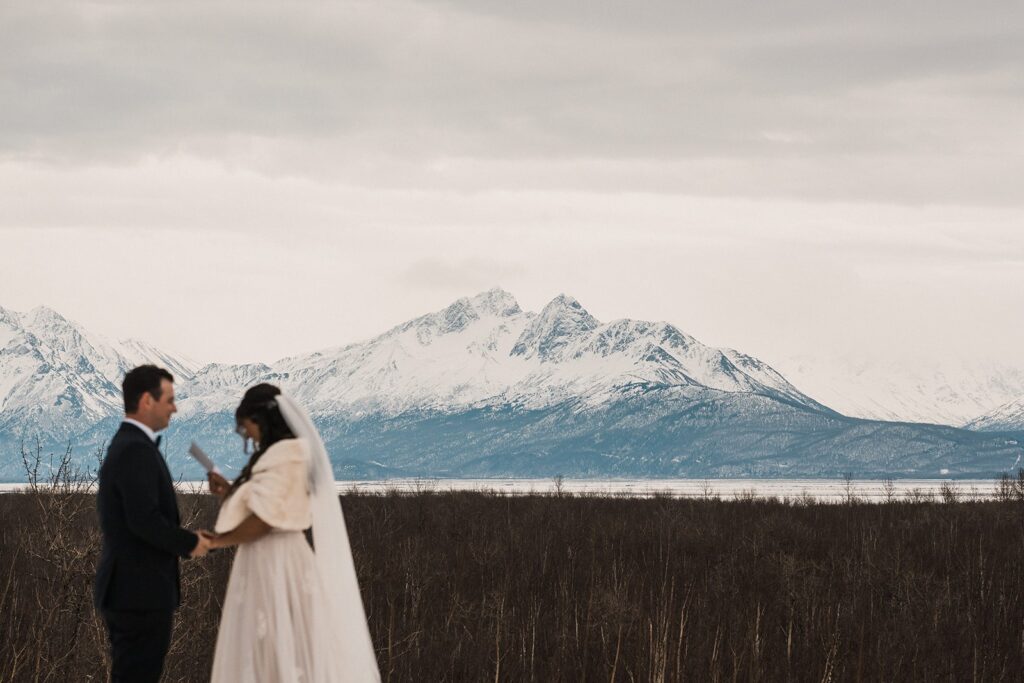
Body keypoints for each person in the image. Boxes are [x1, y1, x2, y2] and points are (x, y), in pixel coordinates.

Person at [204, 384, 380, 682]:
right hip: (268, 558)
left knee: (278, 641)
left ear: (261, 420)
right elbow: (269, 506)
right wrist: (231, 494)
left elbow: (266, 520)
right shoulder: (279, 456)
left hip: (277, 561)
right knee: (274, 646)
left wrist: (217, 541)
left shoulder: (286, 456)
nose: (247, 436)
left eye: (247, 427)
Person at [94, 364, 212, 683]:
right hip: (138, 594)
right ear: (147, 400)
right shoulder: (134, 449)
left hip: (133, 592)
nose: (174, 408)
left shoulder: (131, 445)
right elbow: (143, 520)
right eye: (169, 399)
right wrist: (190, 543)